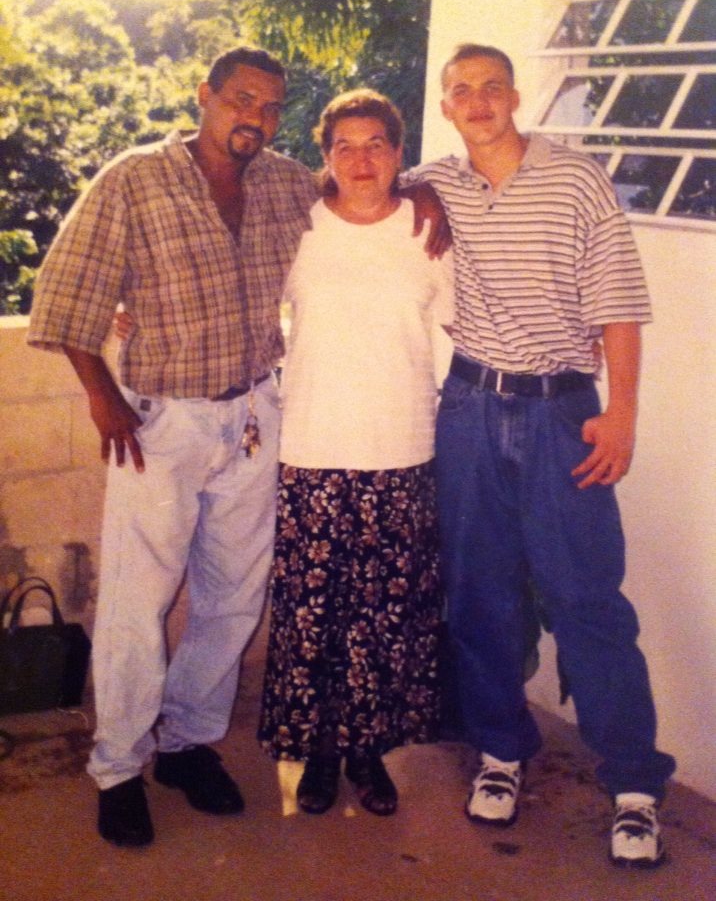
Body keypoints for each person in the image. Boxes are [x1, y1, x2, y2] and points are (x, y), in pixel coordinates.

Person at [27, 45, 448, 848]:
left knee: (233, 599)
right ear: (206, 96)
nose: (253, 117)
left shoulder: (288, 183)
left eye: (268, 107)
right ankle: (118, 766)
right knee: (137, 600)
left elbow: (362, 184)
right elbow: (67, 291)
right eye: (240, 100)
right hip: (164, 424)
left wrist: (424, 190)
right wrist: (102, 395)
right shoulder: (134, 179)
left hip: (258, 415)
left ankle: (185, 744)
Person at [402, 44, 676, 868]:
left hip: (563, 414)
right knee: (479, 594)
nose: (478, 101)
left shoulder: (575, 178)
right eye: (462, 92)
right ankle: (500, 753)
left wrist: (621, 412)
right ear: (446, 109)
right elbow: (353, 188)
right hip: (469, 410)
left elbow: (620, 306)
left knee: (586, 599)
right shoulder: (437, 182)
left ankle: (632, 786)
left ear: (515, 97)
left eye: (491, 87)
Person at [258, 89, 454, 817]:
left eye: (376, 143)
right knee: (313, 610)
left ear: (400, 155)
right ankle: (319, 753)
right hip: (311, 444)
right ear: (326, 155)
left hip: (401, 449)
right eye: (345, 144)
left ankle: (369, 754)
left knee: (382, 613)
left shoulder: (428, 232)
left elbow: (472, 322)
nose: (361, 158)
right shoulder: (297, 227)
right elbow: (236, 293)